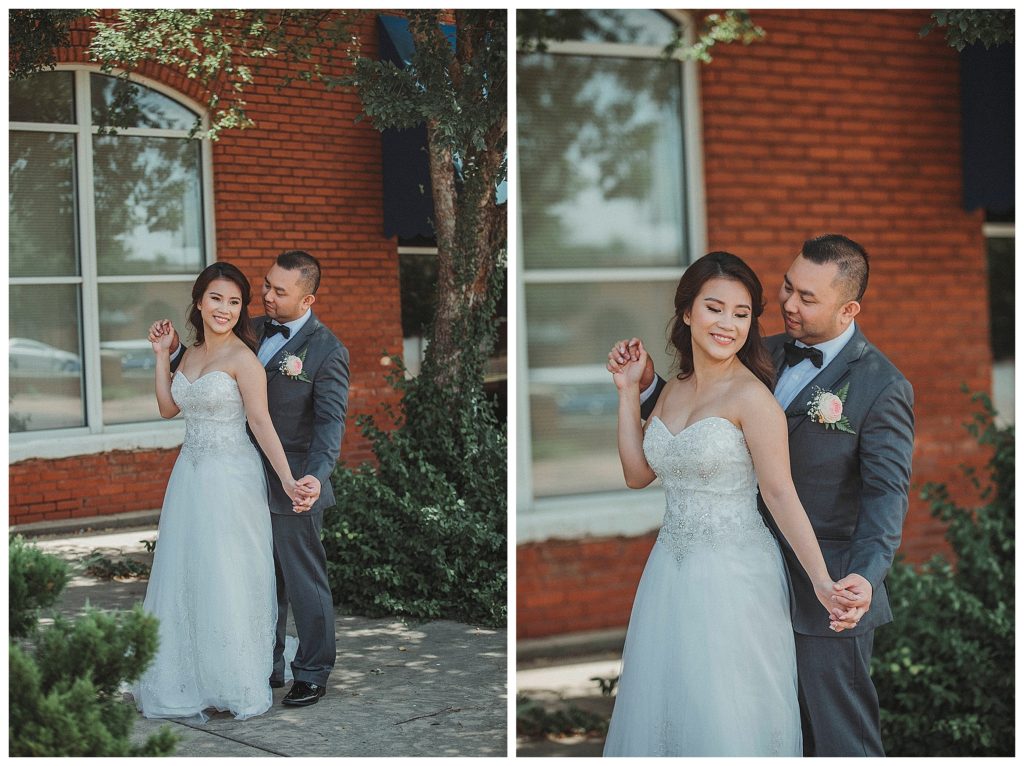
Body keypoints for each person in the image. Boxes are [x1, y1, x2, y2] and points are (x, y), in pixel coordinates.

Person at [608, 234, 915, 756]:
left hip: (828, 588)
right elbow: (701, 425)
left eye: (808, 298)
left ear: (849, 308)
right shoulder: (761, 353)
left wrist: (861, 576)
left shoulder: (882, 386)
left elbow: (886, 496)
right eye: (787, 288)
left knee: (840, 740)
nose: (790, 306)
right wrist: (642, 387)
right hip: (736, 585)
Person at [149, 250, 350, 708]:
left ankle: (313, 672)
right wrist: (172, 350)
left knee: (302, 579)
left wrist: (314, 478)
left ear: (307, 298)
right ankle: (266, 665)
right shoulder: (250, 328)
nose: (267, 296)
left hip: (292, 479)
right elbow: (207, 370)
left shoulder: (327, 351)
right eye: (266, 285)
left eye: (280, 291)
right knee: (254, 577)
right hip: (233, 474)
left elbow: (329, 425)